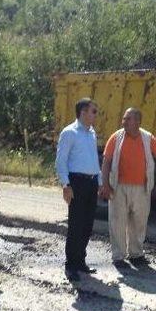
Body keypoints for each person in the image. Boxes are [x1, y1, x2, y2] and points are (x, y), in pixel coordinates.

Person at [100, 108, 156, 268]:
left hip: (142, 188)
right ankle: (118, 257)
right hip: (118, 187)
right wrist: (104, 184)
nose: (123, 122)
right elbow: (106, 161)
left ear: (137, 122)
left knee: (139, 222)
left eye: (127, 119)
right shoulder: (116, 137)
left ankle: (136, 254)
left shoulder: (148, 138)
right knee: (117, 221)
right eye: (124, 119)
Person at [55, 98, 102, 281]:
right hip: (76, 182)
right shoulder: (69, 132)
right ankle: (71, 265)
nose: (95, 115)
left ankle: (80, 261)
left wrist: (98, 182)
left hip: (90, 183)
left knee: (87, 224)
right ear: (83, 112)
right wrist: (66, 185)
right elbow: (61, 161)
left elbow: (93, 160)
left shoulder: (91, 133)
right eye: (93, 111)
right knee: (76, 224)